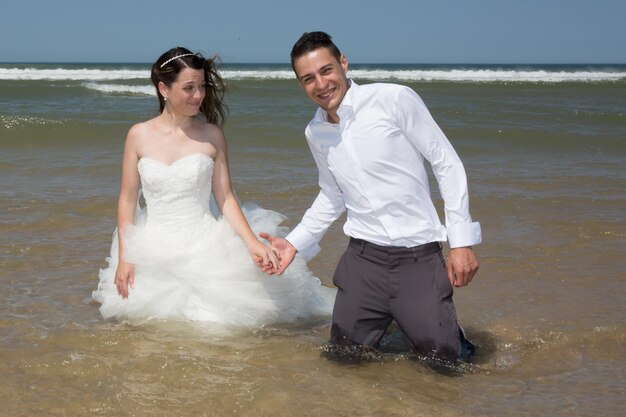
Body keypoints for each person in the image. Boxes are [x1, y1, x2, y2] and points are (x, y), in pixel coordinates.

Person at [261, 32, 481, 362]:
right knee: (344, 358)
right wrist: (293, 243)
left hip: (417, 257)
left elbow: (445, 161)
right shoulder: (315, 132)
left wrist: (461, 242)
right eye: (308, 79)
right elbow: (332, 193)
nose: (321, 84)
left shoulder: (393, 99)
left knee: (446, 363)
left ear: (343, 63)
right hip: (363, 260)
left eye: (327, 70)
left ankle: (450, 333)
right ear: (300, 84)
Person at [92, 47, 335, 326]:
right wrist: (126, 257)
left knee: (216, 329)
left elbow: (226, 197)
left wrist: (251, 242)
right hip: (151, 249)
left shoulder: (212, 135)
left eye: (202, 86)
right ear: (164, 89)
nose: (198, 95)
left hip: (206, 246)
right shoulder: (138, 135)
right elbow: (127, 199)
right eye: (189, 88)